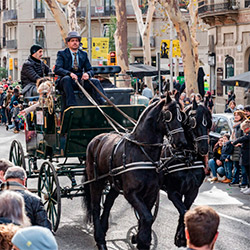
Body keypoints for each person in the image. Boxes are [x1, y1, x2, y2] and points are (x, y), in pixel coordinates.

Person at [54, 31, 107, 108]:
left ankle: (103, 101)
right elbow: (57, 69)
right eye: (72, 41)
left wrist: (87, 74)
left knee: (96, 81)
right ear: (68, 43)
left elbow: (90, 70)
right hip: (65, 81)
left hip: (79, 80)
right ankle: (71, 105)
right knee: (67, 79)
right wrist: (69, 74)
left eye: (77, 41)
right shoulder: (62, 54)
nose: (75, 43)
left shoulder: (83, 54)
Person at [229, 110, 248, 187]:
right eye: (235, 115)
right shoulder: (235, 125)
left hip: (242, 148)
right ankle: (235, 180)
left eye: (237, 115)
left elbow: (245, 137)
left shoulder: (244, 124)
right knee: (236, 164)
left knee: (243, 167)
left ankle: (244, 182)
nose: (236, 116)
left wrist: (240, 143)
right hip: (235, 148)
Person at [233, 120, 250, 194]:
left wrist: (235, 142)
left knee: (249, 173)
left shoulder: (248, 135)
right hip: (246, 156)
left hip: (248, 156)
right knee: (247, 172)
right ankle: (248, 186)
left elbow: (243, 138)